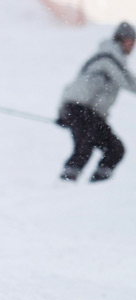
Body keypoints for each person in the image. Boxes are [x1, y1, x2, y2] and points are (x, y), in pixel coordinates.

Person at [57, 21, 136, 182]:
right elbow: (127, 81)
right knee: (84, 147)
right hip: (80, 108)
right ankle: (64, 184)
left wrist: (63, 112)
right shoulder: (110, 56)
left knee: (115, 149)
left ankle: (95, 190)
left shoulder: (108, 55)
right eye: (130, 40)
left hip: (85, 111)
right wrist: (66, 112)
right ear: (120, 39)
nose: (132, 45)